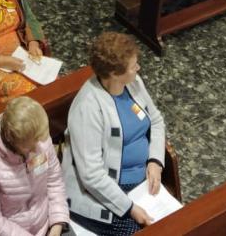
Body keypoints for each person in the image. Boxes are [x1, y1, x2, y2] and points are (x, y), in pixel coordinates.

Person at [63, 32, 168, 234]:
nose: (138, 69)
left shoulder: (134, 83)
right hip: (105, 192)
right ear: (114, 73)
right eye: (133, 66)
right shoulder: (88, 108)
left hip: (144, 180)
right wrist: (130, 208)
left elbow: (156, 120)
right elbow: (92, 175)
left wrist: (155, 161)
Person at [0, 94, 68, 236]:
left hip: (48, 225)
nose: (36, 149)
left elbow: (54, 182)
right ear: (11, 138)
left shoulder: (37, 138)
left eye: (39, 141)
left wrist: (57, 224)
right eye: (29, 147)